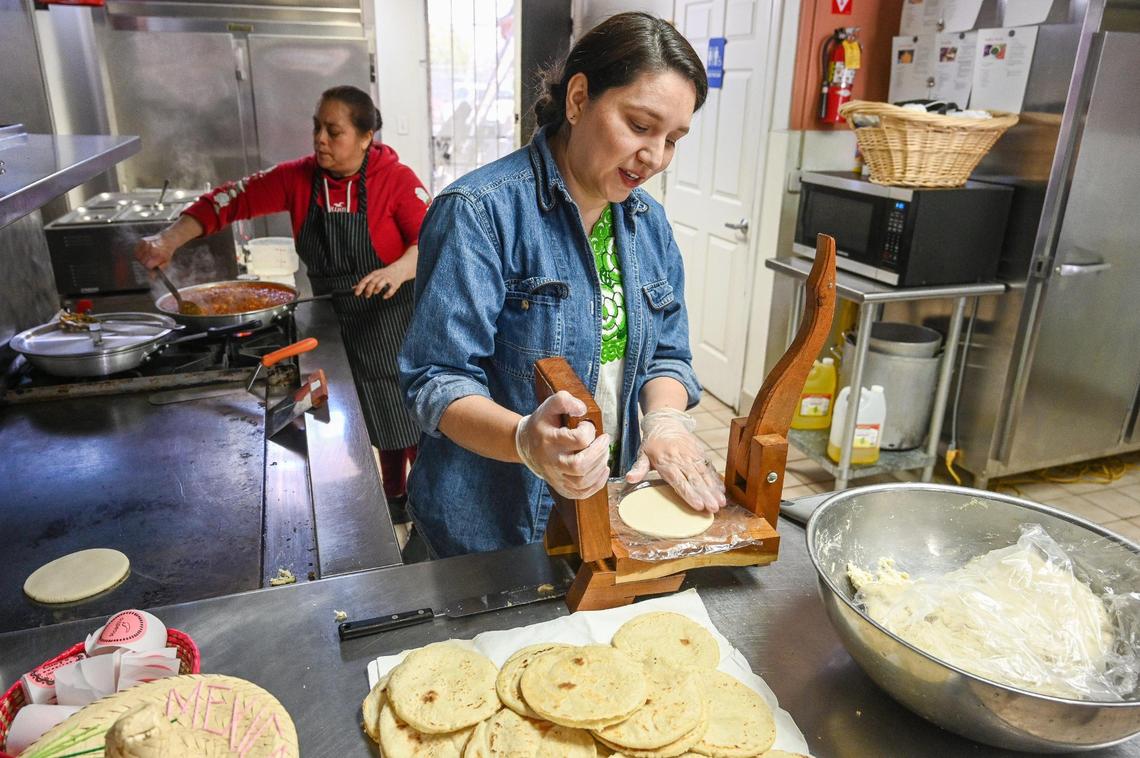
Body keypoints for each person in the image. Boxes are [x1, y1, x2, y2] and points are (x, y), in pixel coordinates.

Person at [399, 12, 726, 559]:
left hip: (597, 513)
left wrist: (664, 421)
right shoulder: (479, 214)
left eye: (673, 139)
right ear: (578, 98)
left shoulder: (649, 225)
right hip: (486, 533)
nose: (655, 157)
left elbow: (668, 352)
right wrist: (526, 440)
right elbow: (438, 380)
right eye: (640, 126)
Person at [135, 85, 427, 509]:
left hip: (395, 320)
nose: (320, 139)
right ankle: (389, 495)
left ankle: (423, 500)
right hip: (333, 322)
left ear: (366, 137)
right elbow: (228, 200)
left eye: (334, 131)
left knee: (409, 417)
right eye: (316, 128)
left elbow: (430, 241)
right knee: (363, 416)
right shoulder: (298, 178)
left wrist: (397, 269)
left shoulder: (396, 181)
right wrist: (167, 239)